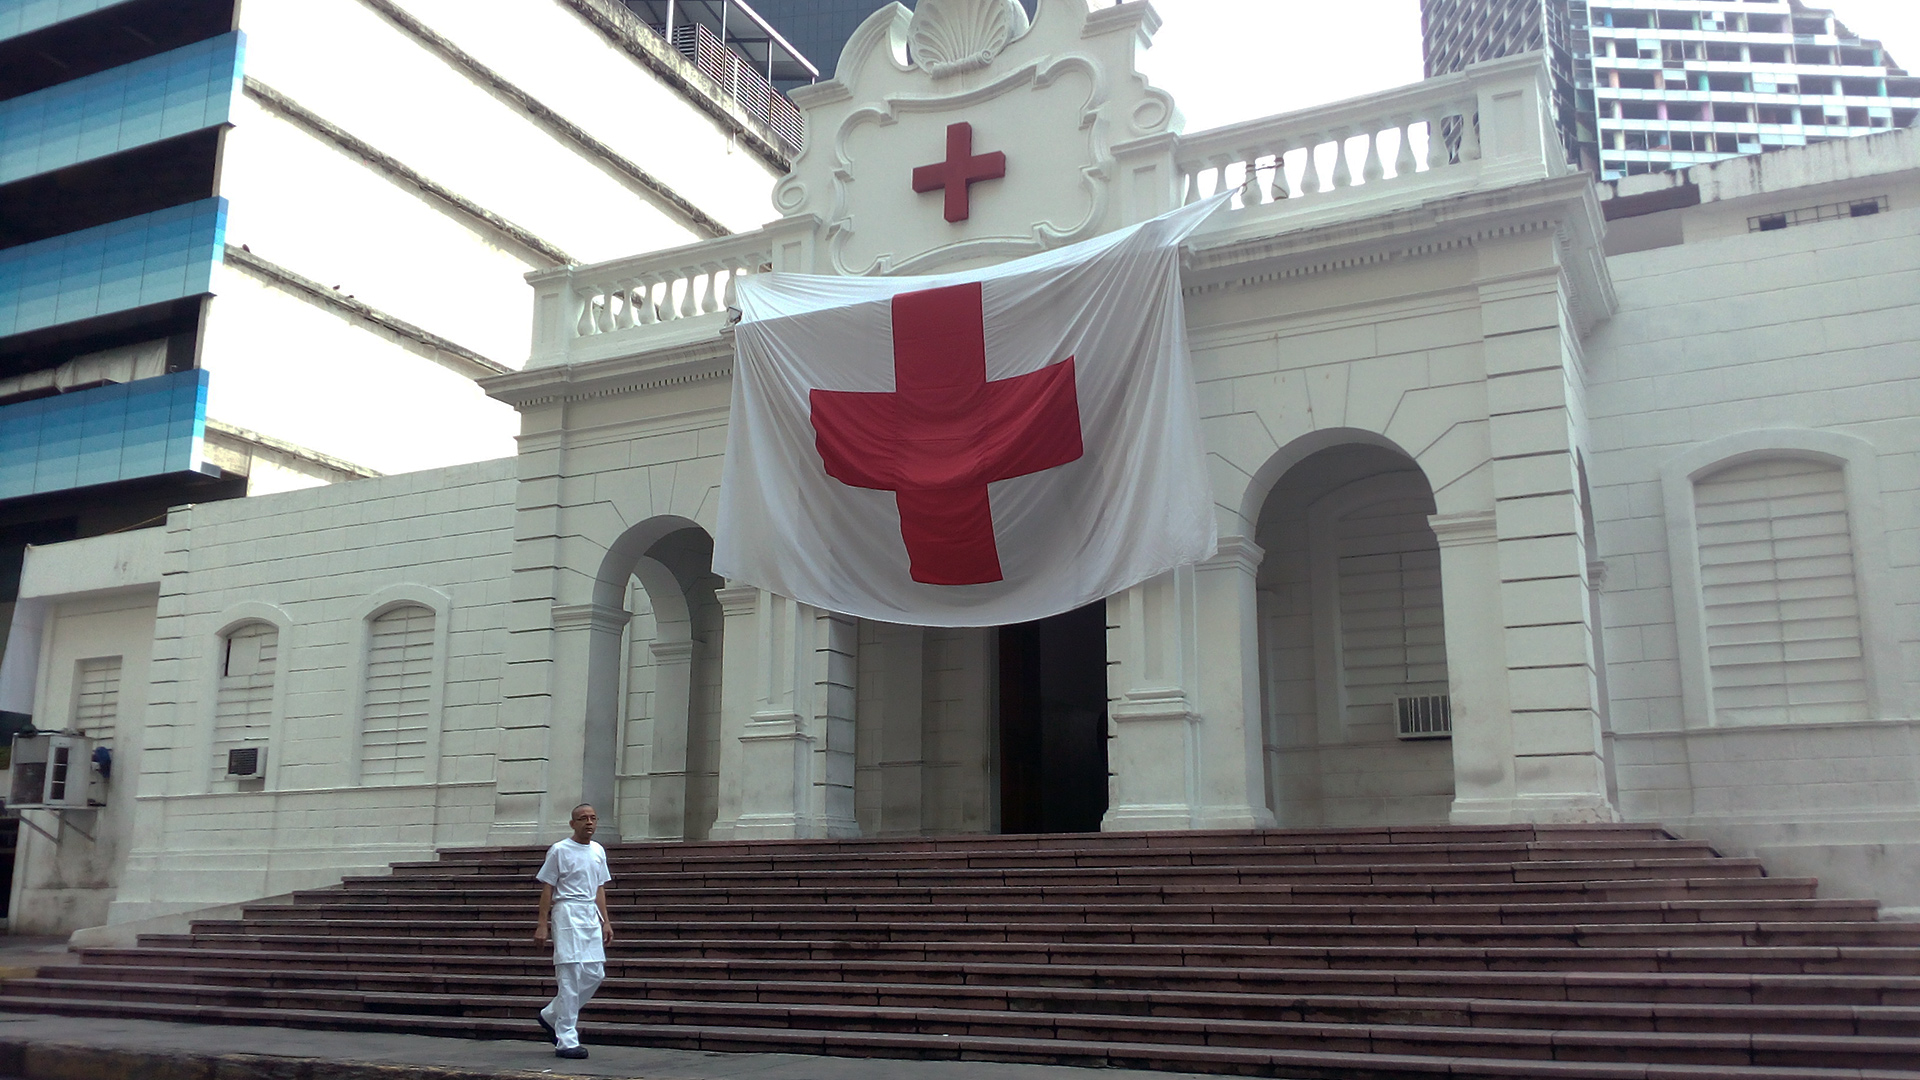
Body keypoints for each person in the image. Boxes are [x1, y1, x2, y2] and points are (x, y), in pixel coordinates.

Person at [533, 803, 613, 1059]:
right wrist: (542, 924)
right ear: (572, 823)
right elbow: (547, 888)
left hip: (590, 913)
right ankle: (566, 1038)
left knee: (595, 972)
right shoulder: (559, 850)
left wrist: (606, 921)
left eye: (592, 818)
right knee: (569, 975)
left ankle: (550, 1015)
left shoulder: (598, 851)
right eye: (582, 818)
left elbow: (599, 887)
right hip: (566, 912)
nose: (589, 822)